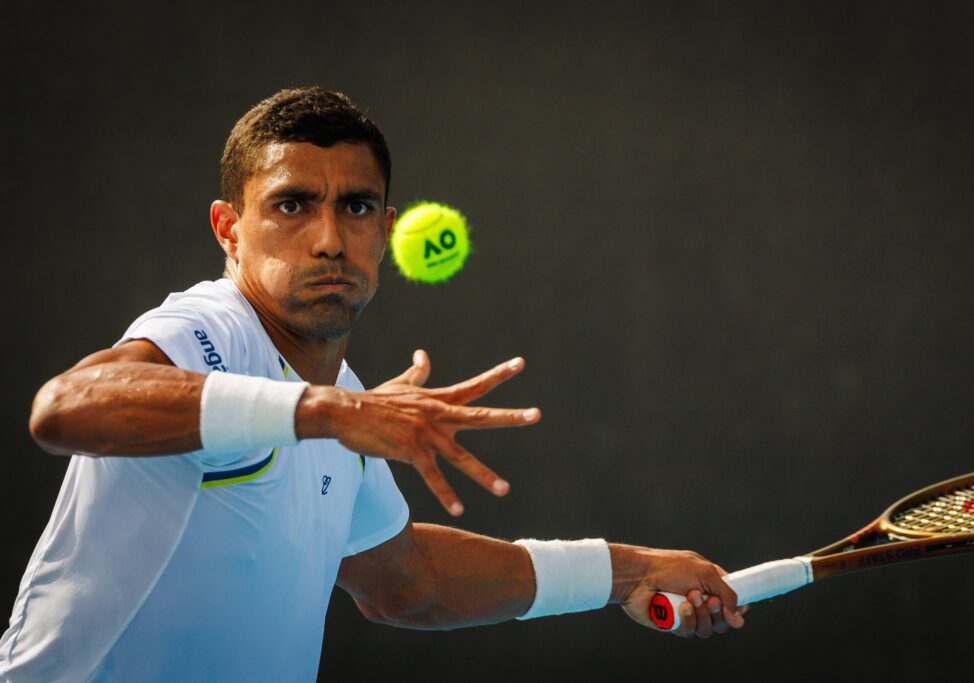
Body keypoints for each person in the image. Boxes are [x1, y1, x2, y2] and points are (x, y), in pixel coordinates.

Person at [0, 87, 746, 682]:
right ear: (229, 229)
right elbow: (63, 406)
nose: (329, 238)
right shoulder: (216, 329)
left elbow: (409, 582)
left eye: (355, 207)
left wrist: (627, 570)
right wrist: (327, 411)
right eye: (291, 204)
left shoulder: (344, 407)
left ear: (384, 230)